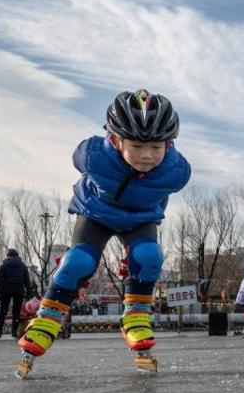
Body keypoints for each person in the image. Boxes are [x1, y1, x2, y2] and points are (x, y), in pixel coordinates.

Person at [18, 90, 191, 375]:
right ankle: (48, 317)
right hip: (96, 214)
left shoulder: (177, 172)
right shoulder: (93, 154)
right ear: (115, 139)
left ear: (169, 144)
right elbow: (78, 162)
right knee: (80, 262)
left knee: (149, 256)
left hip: (140, 218)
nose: (146, 156)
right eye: (136, 146)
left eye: (157, 147)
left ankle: (135, 316)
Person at [0, 248, 34, 339]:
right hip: (19, 290)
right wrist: (28, 292)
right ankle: (14, 332)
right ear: (17, 255)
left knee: (3, 311)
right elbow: (27, 281)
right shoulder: (23, 266)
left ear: (8, 255)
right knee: (16, 312)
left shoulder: (3, 265)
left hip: (6, 290)